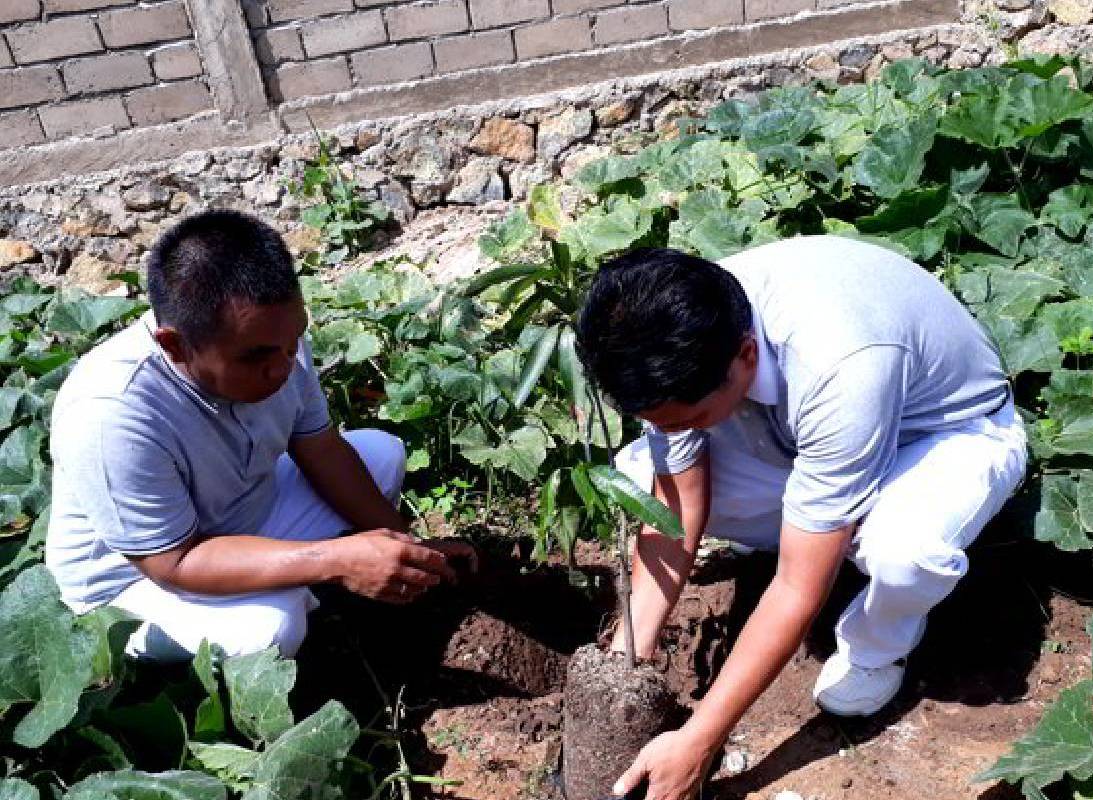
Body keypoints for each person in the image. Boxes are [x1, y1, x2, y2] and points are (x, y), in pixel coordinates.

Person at [575, 237, 1028, 800]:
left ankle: (877, 645)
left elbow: (795, 587)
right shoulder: (667, 331)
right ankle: (809, 522)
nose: (676, 427)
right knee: (643, 474)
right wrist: (628, 658)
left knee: (903, 551)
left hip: (941, 432)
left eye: (690, 418)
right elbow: (676, 503)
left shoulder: (840, 361)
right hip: (793, 431)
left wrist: (699, 741)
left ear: (743, 357)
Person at [45, 210, 475, 662]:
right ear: (174, 345)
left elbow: (322, 449)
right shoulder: (112, 414)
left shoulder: (273, 337)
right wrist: (338, 560)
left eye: (294, 342)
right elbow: (172, 563)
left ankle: (318, 580)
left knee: (381, 454)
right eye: (256, 358)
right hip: (135, 587)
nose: (283, 367)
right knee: (271, 627)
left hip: (238, 518)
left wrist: (410, 550)